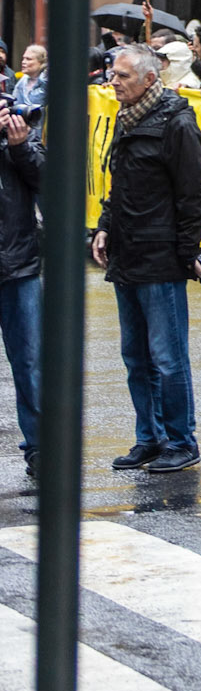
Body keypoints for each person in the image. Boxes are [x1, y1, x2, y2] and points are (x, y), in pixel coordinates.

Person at [93, 44, 201, 473]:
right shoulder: (128, 117)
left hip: (159, 260)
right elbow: (119, 183)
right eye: (113, 74)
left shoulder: (177, 121)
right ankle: (150, 438)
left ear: (148, 79)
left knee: (167, 359)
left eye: (122, 75)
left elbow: (195, 194)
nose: (113, 81)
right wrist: (105, 226)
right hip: (127, 256)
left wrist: (185, 254)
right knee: (136, 359)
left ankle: (181, 442)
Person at [0, 106, 42, 479]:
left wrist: (21, 147)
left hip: (18, 266)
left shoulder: (19, 131)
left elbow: (50, 183)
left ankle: (40, 448)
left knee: (30, 363)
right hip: (18, 263)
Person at [13, 45, 46, 118]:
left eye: (28, 59)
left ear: (40, 62)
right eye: (23, 58)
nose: (23, 62)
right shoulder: (22, 81)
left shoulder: (46, 83)